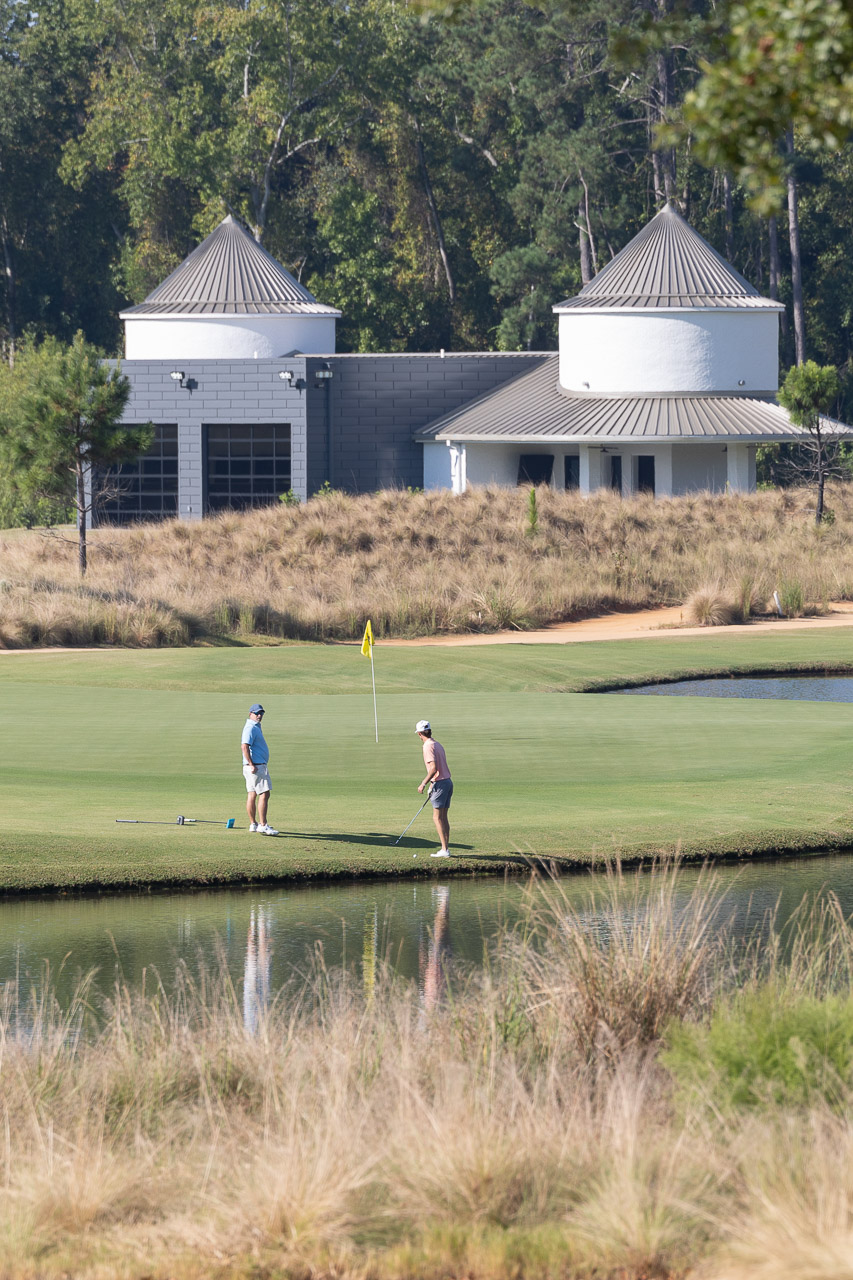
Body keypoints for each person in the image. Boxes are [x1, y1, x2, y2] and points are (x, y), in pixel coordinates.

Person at [416, 719, 453, 857]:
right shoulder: (437, 744)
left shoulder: (427, 746)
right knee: (443, 817)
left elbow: (433, 768)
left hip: (440, 784)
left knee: (437, 818)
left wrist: (423, 783)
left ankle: (444, 850)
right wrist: (432, 783)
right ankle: (445, 848)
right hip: (447, 782)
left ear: (419, 734)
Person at [241, 704, 279, 835]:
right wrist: (251, 764)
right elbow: (244, 746)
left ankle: (253, 824)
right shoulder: (251, 727)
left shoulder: (255, 726)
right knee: (264, 793)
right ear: (250, 713)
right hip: (256, 766)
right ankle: (263, 825)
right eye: (257, 713)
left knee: (252, 794)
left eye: (261, 713)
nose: (259, 715)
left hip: (252, 766)